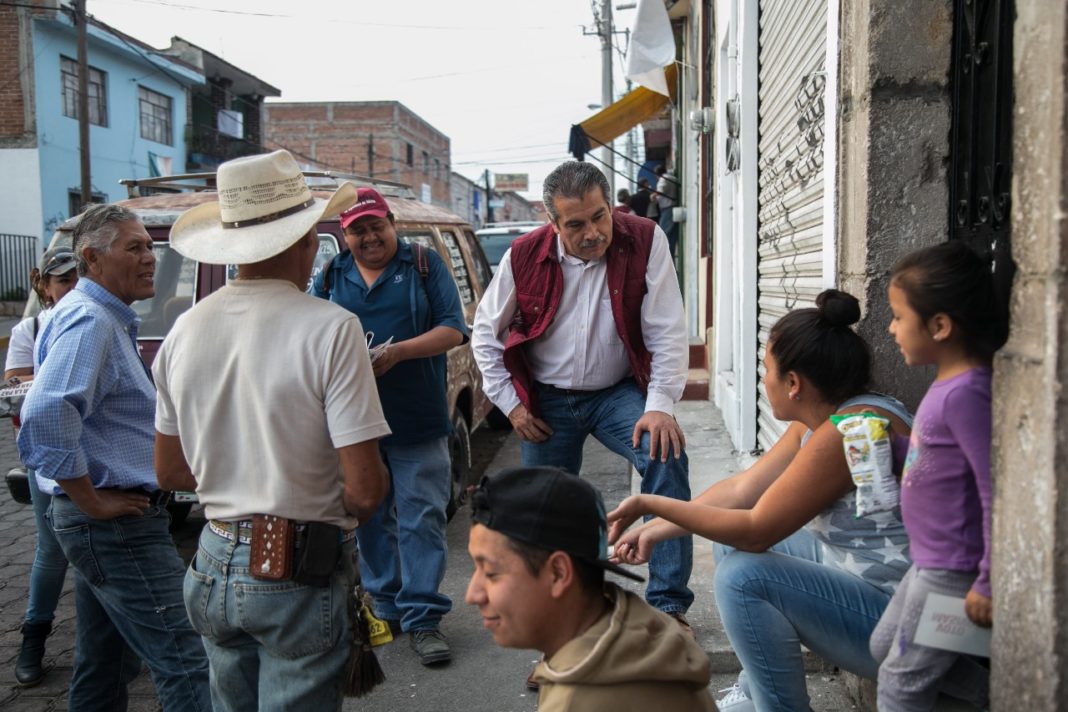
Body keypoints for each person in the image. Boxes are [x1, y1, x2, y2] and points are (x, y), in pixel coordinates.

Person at [154, 149, 392, 709]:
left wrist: (238, 474)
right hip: (296, 567)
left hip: (211, 560)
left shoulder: (184, 331)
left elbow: (168, 470)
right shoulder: (332, 329)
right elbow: (365, 490)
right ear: (308, 240)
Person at [608, 289, 916, 712]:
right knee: (726, 540)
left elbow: (757, 532)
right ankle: (755, 694)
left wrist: (651, 505)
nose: (762, 379)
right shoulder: (830, 418)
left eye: (766, 368)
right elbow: (741, 492)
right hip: (873, 586)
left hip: (904, 624)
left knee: (744, 576)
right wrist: (656, 531)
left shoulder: (846, 433)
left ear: (793, 384)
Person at [471, 160, 695, 647]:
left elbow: (667, 330)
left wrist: (659, 406)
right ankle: (562, 636)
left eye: (599, 217)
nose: (593, 232)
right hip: (547, 401)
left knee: (665, 452)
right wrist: (510, 406)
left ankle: (669, 606)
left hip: (617, 392)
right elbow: (485, 336)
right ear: (553, 222)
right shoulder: (523, 255)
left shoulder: (645, 238)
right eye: (576, 224)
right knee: (542, 516)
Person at [16, 204, 211, 711]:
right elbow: (46, 411)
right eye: (135, 247)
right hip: (114, 525)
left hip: (108, 522)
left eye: (150, 246)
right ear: (92, 258)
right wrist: (91, 500)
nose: (149, 257)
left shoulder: (101, 316)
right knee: (187, 659)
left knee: (105, 665)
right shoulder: (91, 319)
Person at [310, 186, 467, 666]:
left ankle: (422, 617)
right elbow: (309, 332)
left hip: (417, 417)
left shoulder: (422, 264)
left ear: (391, 222)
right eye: (357, 229)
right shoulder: (331, 275)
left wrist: (397, 352)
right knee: (369, 515)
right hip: (356, 422)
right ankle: (385, 605)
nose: (369, 236)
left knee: (422, 516)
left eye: (376, 225)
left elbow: (453, 328)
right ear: (344, 234)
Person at [870, 240, 1003, 711]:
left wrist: (987, 581)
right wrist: (890, 446)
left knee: (899, 684)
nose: (890, 328)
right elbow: (937, 460)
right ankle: (996, 698)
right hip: (929, 562)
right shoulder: (945, 384)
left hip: (954, 569)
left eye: (899, 317)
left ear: (940, 326)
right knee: (884, 649)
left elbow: (994, 490)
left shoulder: (968, 392)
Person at [465, 466, 717, 711]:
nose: (471, 595)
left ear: (559, 573)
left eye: (491, 573)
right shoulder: (632, 627)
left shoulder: (585, 700)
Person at [4, 247, 77, 687]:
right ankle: (34, 637)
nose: (71, 287)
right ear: (45, 287)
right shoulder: (29, 328)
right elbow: (14, 386)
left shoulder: (96, 320)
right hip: (47, 455)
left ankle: (104, 644)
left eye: (76, 278)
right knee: (51, 551)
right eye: (62, 280)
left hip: (93, 451)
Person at [652, 164, 679, 258]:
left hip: (667, 209)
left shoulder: (663, 179)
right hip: (673, 207)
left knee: (663, 234)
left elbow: (661, 190)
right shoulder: (672, 177)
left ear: (657, 174)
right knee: (672, 235)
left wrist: (653, 195)